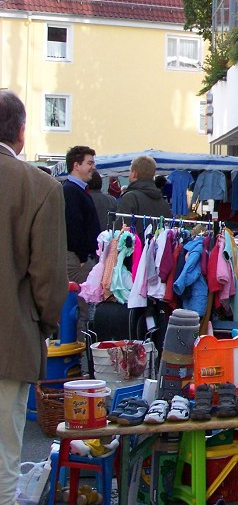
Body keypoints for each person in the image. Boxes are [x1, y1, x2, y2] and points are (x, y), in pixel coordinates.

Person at [0, 90, 67, 502]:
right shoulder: (39, 187)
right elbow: (48, 278)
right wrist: (43, 324)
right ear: (22, 132)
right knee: (5, 458)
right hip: (10, 338)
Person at [63, 145, 102, 284]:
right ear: (76, 165)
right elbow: (73, 225)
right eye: (89, 163)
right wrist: (82, 258)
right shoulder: (71, 191)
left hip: (81, 258)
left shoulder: (77, 189)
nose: (93, 167)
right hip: (77, 260)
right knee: (84, 301)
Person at [115, 155, 173, 234]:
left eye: (130, 171)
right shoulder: (164, 203)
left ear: (134, 174)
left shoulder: (130, 198)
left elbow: (120, 231)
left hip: (134, 245)